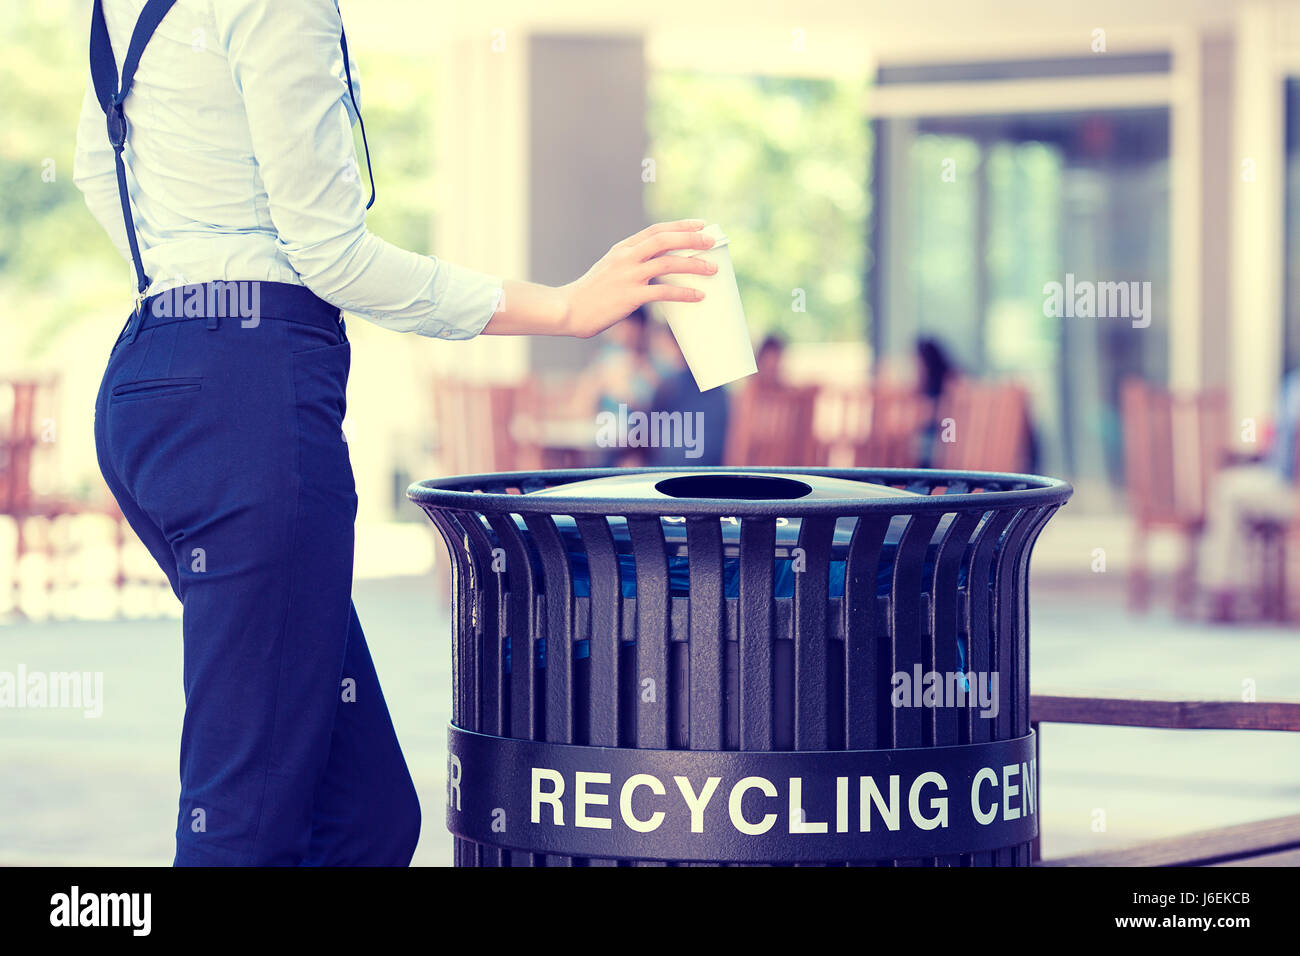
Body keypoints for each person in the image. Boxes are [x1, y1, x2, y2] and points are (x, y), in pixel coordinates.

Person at [76, 0, 716, 866]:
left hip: (153, 379)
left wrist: (193, 280)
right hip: (248, 406)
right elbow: (332, 255)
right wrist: (564, 308)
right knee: (245, 818)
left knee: (366, 810)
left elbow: (93, 168)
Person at [1200, 369, 1300, 620]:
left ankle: (1222, 591)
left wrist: (1271, 444)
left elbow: (1283, 451)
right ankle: (1234, 588)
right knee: (1235, 487)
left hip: (1291, 492)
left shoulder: (1295, 387)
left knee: (1227, 490)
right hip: (1284, 482)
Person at [646, 318, 730, 466]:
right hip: (712, 467)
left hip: (675, 468)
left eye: (662, 348)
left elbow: (647, 424)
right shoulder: (717, 384)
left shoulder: (672, 383)